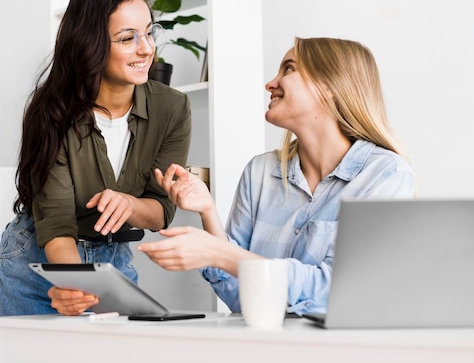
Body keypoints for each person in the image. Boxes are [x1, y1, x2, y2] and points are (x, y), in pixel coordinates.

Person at [137, 37, 415, 315]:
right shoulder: (259, 172)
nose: (270, 83)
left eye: (289, 69)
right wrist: (208, 211)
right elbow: (240, 299)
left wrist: (219, 253)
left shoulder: (384, 175)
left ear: (330, 85)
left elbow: (343, 291)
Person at [0, 0, 191, 316]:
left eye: (148, 32)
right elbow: (55, 222)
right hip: (40, 260)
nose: (146, 49)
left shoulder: (171, 108)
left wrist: (129, 205)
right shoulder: (51, 112)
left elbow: (161, 212)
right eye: (128, 38)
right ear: (91, 44)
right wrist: (73, 283)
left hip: (112, 262)